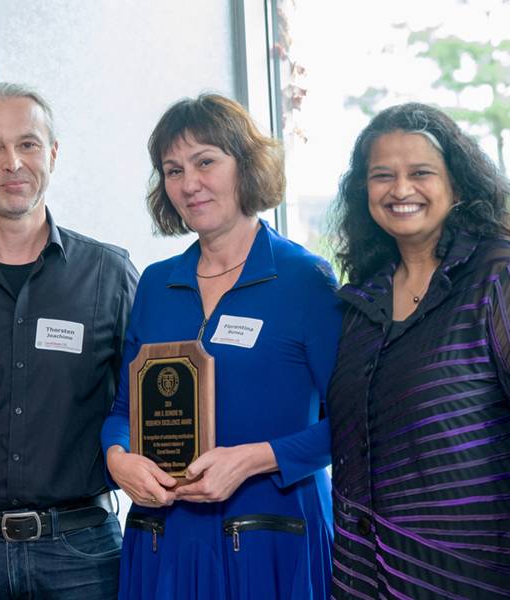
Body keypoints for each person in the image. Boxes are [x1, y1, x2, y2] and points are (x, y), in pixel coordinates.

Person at [101, 94, 341, 599]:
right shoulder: (155, 284)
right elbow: (124, 408)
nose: (189, 184)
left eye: (205, 161)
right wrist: (118, 456)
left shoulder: (305, 279)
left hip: (273, 540)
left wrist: (254, 459)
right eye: (172, 170)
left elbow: (354, 426)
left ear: (246, 166)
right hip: (166, 540)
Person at [0, 81, 138, 599]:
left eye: (28, 144)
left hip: (84, 558)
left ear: (52, 154)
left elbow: (147, 411)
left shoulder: (110, 275)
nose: (13, 162)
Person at [327, 102, 510, 599]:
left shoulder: (497, 275)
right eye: (382, 175)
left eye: (420, 173)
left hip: (470, 575)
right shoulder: (361, 298)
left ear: (457, 184)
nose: (400, 189)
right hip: (363, 573)